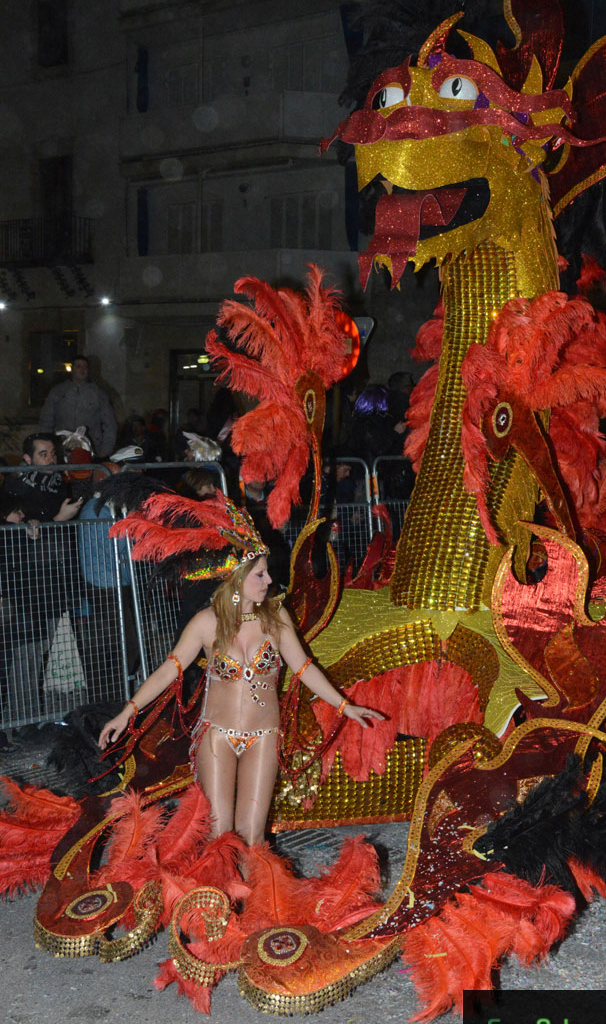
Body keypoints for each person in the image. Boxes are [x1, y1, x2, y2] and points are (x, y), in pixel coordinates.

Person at [98, 497, 381, 845]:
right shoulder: (206, 623)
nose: (268, 580)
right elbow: (166, 672)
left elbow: (305, 669)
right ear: (236, 579)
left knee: (252, 837)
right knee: (220, 835)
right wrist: (127, 712)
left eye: (267, 572)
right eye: (260, 574)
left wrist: (344, 705)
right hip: (217, 735)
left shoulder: (276, 618)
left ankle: (254, 898)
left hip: (263, 736)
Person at [39, 356, 117, 457]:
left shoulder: (98, 394)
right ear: (72, 369)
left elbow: (110, 424)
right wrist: (48, 446)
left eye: (85, 367)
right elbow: (46, 420)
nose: (82, 369)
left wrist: (105, 451)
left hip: (90, 447)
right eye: (78, 366)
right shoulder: (58, 391)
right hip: (62, 446)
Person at [1, 433, 83, 523]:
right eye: (44, 455)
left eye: (53, 453)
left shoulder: (61, 485)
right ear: (28, 459)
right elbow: (20, 533)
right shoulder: (15, 490)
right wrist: (59, 518)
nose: (51, 459)